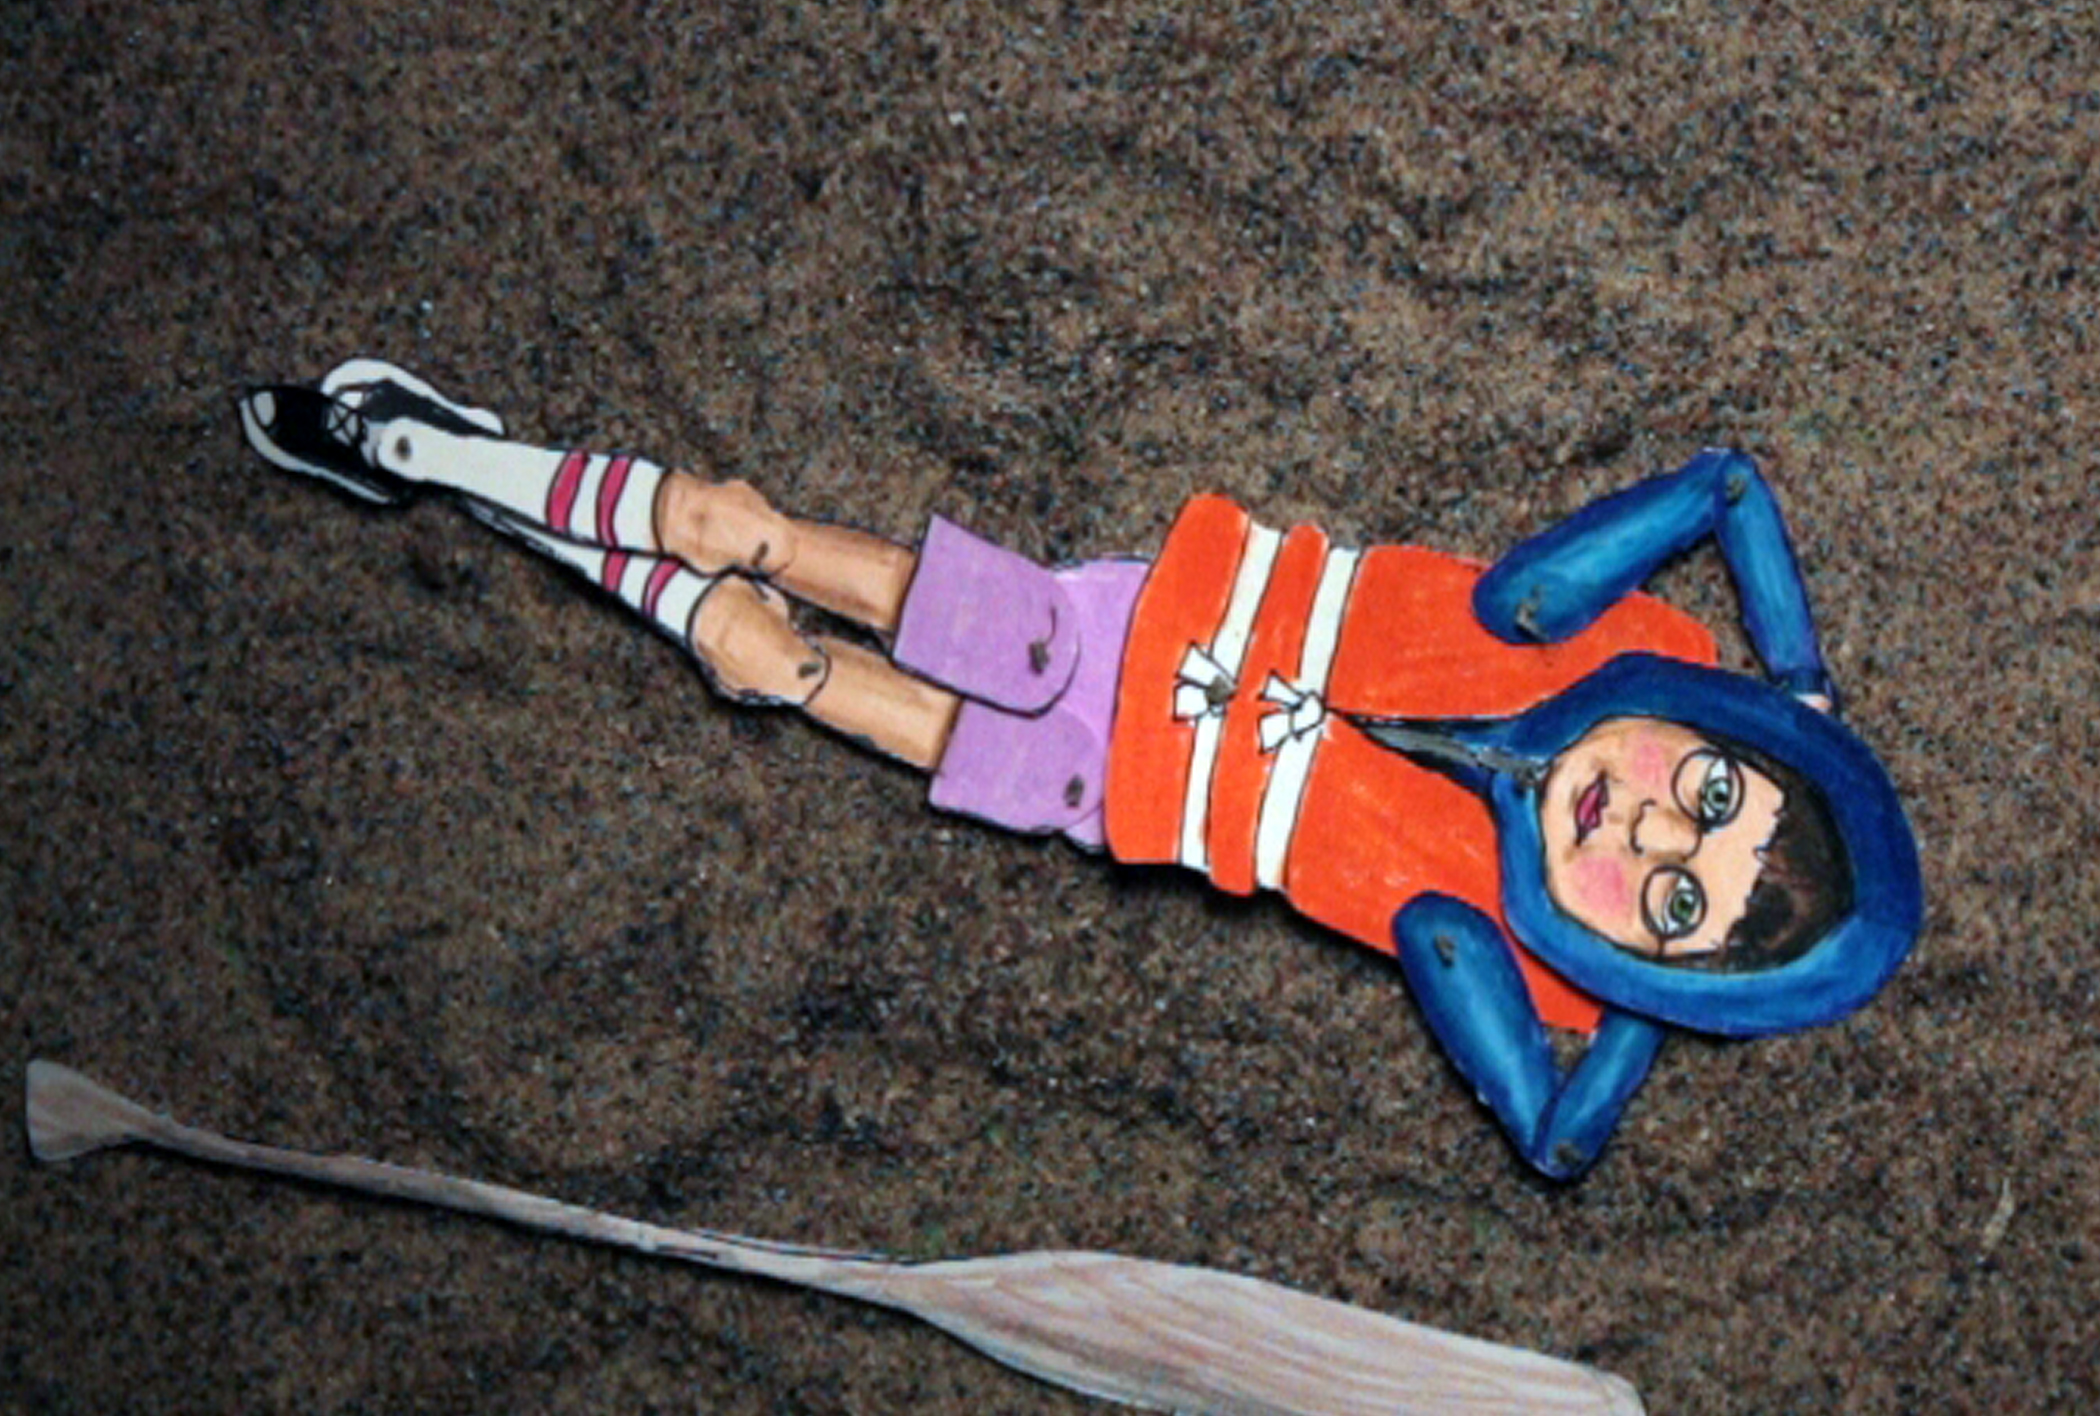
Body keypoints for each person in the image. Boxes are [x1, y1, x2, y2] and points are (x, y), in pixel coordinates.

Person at [240, 359, 1922, 1179]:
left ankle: (481, 479)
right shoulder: (1577, 633)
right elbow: (1724, 486)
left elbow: (1552, 1136)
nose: (1646, 825)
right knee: (758, 541)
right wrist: (1799, 681)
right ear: (1727, 734)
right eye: (1712, 795)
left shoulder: (1499, 938)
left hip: (1125, 796)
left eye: (1671, 899)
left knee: (776, 662)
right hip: (1131, 623)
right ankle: (471, 461)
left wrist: (1635, 998)